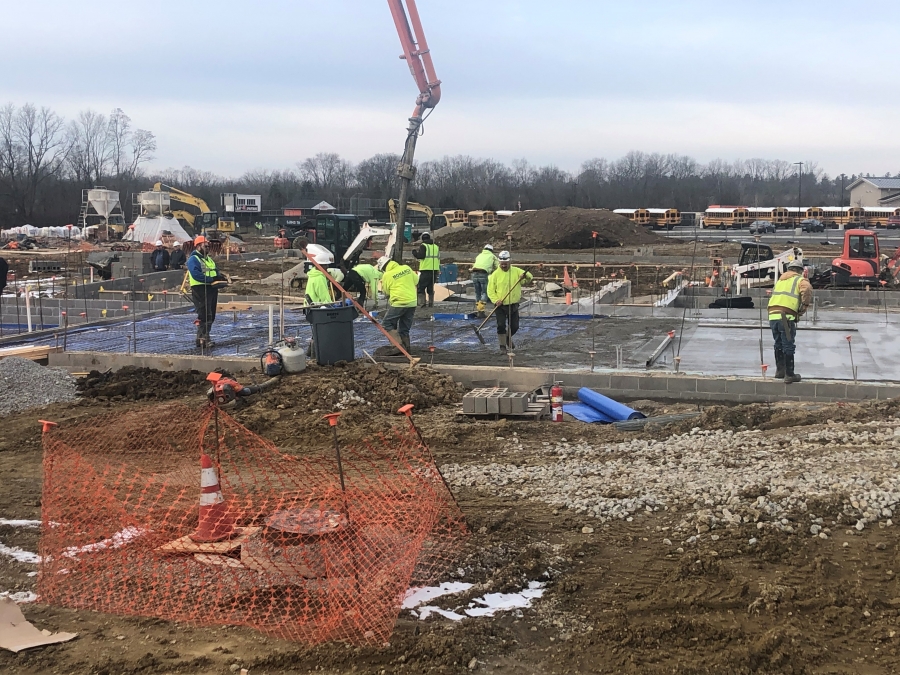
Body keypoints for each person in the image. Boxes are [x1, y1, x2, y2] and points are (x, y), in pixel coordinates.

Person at [767, 259, 813, 384]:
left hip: (773, 316)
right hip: (785, 317)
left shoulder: (780, 280)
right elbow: (807, 290)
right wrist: (802, 309)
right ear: (800, 270)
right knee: (788, 344)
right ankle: (789, 374)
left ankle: (780, 371)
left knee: (778, 343)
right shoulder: (799, 280)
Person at [487, 251, 533, 352]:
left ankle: (508, 337)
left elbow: (529, 276)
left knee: (515, 326)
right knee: (501, 325)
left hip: (513, 304)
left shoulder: (516, 271)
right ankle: (502, 346)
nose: (504, 266)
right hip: (500, 305)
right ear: (499, 263)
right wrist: (496, 300)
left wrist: (525, 276)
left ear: (509, 262)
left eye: (505, 264)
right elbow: (490, 290)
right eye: (502, 264)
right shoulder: (495, 275)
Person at [187, 235, 227, 348]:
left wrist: (219, 277)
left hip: (211, 288)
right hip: (200, 288)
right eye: (206, 246)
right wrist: (211, 279)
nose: (208, 248)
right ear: (198, 246)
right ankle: (202, 339)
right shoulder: (194, 259)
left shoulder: (208, 259)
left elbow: (214, 271)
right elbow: (196, 274)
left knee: (211, 315)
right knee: (204, 314)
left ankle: (205, 337)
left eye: (208, 246)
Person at [378, 254, 418, 353]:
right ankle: (406, 347)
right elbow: (416, 280)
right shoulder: (406, 268)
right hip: (412, 302)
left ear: (383, 267)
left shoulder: (387, 275)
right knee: (404, 327)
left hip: (399, 303)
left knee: (387, 324)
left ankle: (398, 347)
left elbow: (386, 292)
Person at [411, 232, 440, 307]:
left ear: (423, 239)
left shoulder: (423, 246)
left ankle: (421, 303)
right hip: (434, 270)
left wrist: (414, 253)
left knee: (421, 287)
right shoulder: (436, 246)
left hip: (426, 269)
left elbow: (421, 256)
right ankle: (431, 303)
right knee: (430, 288)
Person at [471, 244, 498, 317]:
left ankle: (479, 309)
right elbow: (498, 267)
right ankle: (481, 311)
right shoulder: (492, 256)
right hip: (483, 274)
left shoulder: (479, 255)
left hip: (474, 274)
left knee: (477, 292)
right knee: (484, 292)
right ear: (491, 250)